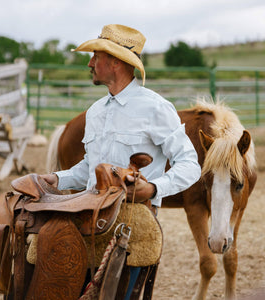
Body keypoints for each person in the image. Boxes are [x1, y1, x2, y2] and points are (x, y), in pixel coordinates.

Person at [41, 24, 201, 299]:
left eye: (95, 56)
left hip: (133, 225)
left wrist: (152, 189)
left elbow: (190, 164)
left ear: (115, 62)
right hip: (89, 219)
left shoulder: (156, 108)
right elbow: (89, 168)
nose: (90, 63)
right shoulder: (95, 112)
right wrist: (57, 179)